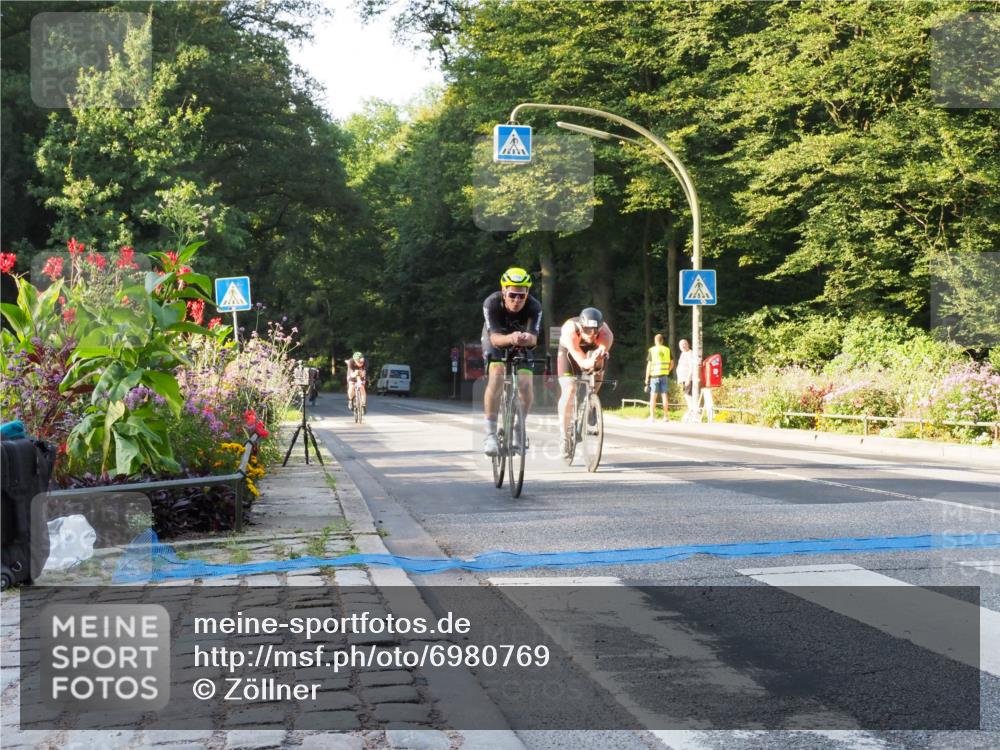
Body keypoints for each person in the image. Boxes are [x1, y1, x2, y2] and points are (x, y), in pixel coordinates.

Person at [481, 267, 542, 456]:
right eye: (512, 294)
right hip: (497, 340)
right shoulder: (491, 303)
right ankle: (490, 433)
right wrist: (511, 338)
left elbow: (534, 339)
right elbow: (495, 339)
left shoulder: (534, 306)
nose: (517, 300)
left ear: (527, 294)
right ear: (504, 290)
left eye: (521, 296)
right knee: (497, 375)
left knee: (525, 384)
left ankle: (518, 427)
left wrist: (524, 338)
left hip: (520, 342)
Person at [557, 307, 614, 457]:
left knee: (600, 366)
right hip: (570, 354)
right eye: (588, 330)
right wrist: (589, 362)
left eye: (596, 331)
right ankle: (564, 437)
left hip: (591, 352)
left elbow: (600, 357)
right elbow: (582, 362)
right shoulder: (570, 330)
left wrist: (598, 357)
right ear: (581, 327)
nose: (592, 334)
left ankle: (591, 401)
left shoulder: (606, 334)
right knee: (570, 389)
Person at [644, 334, 672, 422]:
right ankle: (666, 417)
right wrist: (667, 370)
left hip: (654, 376)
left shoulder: (652, 350)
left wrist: (646, 378)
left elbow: (649, 365)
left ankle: (652, 417)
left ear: (655, 341)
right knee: (664, 396)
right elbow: (672, 363)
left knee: (653, 396)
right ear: (662, 341)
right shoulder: (667, 350)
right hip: (664, 376)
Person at [675, 339, 696, 422]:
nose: (683, 346)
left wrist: (688, 378)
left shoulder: (690, 353)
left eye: (684, 344)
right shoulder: (683, 353)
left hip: (688, 379)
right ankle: (691, 410)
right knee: (686, 395)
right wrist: (679, 379)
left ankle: (692, 411)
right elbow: (680, 366)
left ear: (688, 344)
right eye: (681, 345)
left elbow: (692, 367)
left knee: (688, 395)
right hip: (683, 379)